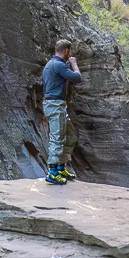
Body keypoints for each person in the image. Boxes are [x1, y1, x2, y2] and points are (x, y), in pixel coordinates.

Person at [41, 38, 81, 185]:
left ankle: (61, 167)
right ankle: (52, 173)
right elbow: (77, 78)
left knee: (70, 136)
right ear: (66, 51)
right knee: (57, 137)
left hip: (58, 105)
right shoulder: (58, 65)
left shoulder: (52, 64)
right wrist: (74, 63)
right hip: (55, 105)